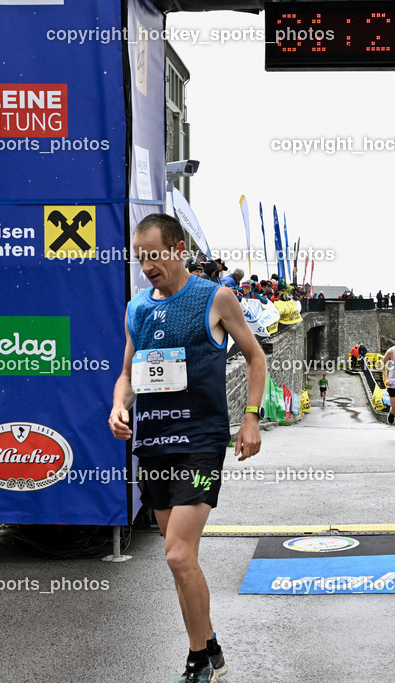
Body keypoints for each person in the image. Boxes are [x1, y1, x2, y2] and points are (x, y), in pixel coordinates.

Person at [109, 213, 266, 683]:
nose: (147, 266)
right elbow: (127, 374)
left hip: (199, 444)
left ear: (178, 249)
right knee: (180, 561)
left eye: (154, 255)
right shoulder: (137, 308)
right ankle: (209, 641)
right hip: (154, 447)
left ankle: (198, 662)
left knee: (178, 554)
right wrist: (118, 407)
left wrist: (251, 419)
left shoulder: (214, 297)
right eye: (140, 259)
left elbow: (255, 356)